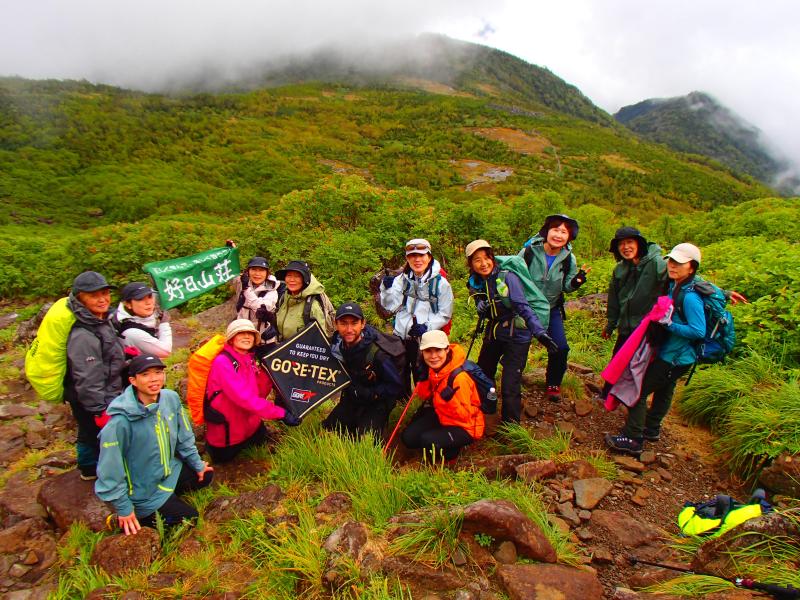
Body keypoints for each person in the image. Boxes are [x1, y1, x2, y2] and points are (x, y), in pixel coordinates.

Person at [601, 227, 746, 399]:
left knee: (642, 366)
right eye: (621, 244)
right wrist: (610, 324)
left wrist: (723, 292)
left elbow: (688, 277)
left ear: (639, 244)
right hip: (626, 325)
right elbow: (614, 299)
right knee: (618, 359)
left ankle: (630, 401)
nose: (626, 247)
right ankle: (607, 396)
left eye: (629, 242)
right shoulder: (620, 269)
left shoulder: (656, 263)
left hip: (647, 327)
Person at [605, 243, 706, 456]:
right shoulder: (677, 285)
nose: (673, 265)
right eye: (671, 261)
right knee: (665, 390)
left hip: (675, 356)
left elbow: (698, 331)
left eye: (679, 263)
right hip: (676, 355)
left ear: (692, 268)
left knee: (639, 390)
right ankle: (651, 428)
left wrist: (669, 324)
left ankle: (633, 438)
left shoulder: (690, 297)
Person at [95, 354, 213, 535]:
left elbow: (184, 437)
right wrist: (124, 508)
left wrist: (197, 464)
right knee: (190, 518)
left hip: (169, 471)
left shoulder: (170, 398)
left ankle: (167, 500)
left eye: (158, 372)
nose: (154, 379)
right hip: (143, 491)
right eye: (145, 374)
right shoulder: (119, 423)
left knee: (206, 476)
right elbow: (109, 470)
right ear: (133, 381)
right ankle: (131, 517)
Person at [465, 240, 558, 423]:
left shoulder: (508, 277)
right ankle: (487, 406)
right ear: (471, 264)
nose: (483, 263)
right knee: (483, 372)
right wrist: (479, 304)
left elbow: (522, 306)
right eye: (477, 260)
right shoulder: (476, 282)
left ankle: (511, 424)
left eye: (486, 258)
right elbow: (481, 300)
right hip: (495, 332)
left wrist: (540, 332)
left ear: (492, 257)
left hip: (517, 336)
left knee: (510, 383)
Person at [205, 319, 297, 463]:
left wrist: (268, 368)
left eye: (250, 333)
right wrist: (281, 413)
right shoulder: (222, 362)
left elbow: (258, 393)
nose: (247, 336)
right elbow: (245, 399)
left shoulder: (248, 359)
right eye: (241, 333)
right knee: (224, 460)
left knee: (261, 440)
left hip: (251, 426)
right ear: (231, 338)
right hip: (228, 435)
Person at [519, 215, 589, 402]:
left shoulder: (569, 258)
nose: (558, 235)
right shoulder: (529, 252)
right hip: (526, 308)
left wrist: (577, 281)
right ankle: (513, 379)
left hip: (551, 308)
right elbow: (513, 275)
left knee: (560, 347)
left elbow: (567, 286)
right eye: (555, 230)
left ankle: (553, 383)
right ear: (547, 231)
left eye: (563, 232)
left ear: (569, 237)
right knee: (518, 345)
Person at [64, 271, 126, 480]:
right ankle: (91, 469)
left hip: (106, 389)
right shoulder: (83, 333)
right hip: (90, 397)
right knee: (93, 432)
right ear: (80, 298)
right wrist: (99, 409)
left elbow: (107, 354)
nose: (102, 299)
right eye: (94, 295)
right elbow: (88, 377)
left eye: (105, 293)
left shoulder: (101, 320)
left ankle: (90, 465)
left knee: (88, 431)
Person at [322, 302, 405, 439]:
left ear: (363, 324)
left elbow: (395, 385)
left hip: (377, 402)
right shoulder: (336, 348)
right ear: (336, 324)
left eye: (354, 323)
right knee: (328, 430)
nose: (349, 329)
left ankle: (377, 423)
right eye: (343, 323)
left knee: (365, 439)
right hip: (352, 399)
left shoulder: (377, 354)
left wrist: (373, 394)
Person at [401, 330, 484, 461]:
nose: (433, 356)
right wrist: (423, 379)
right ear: (422, 353)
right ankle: (440, 442)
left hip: (465, 426)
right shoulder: (433, 369)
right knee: (408, 438)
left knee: (428, 441)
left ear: (447, 350)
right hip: (442, 414)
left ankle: (451, 455)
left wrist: (448, 401)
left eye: (438, 350)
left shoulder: (459, 378)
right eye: (428, 351)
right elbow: (424, 395)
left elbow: (465, 416)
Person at [379, 238, 453, 384]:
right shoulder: (402, 279)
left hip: (425, 337)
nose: (417, 259)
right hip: (400, 334)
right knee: (399, 373)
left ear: (429, 257)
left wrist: (427, 327)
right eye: (412, 256)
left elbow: (445, 314)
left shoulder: (441, 284)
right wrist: (386, 289)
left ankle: (422, 396)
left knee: (423, 375)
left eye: (421, 255)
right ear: (407, 259)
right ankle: (404, 397)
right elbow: (389, 306)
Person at [274, 260, 331, 341]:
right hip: (283, 347)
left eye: (297, 276)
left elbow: (320, 339)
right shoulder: (284, 299)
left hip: (301, 348)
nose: (292, 280)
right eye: (289, 275)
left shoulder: (312, 305)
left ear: (304, 279)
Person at [112, 282, 173, 357]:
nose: (148, 302)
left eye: (150, 296)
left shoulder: (142, 319)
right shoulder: (132, 332)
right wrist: (164, 324)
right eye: (140, 299)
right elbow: (165, 351)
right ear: (128, 304)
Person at [232, 256, 283, 339]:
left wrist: (246, 289)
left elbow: (260, 307)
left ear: (267, 273)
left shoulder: (272, 291)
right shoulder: (242, 282)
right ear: (248, 271)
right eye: (254, 269)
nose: (257, 274)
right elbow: (229, 273)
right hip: (241, 334)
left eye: (261, 270)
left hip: (262, 339)